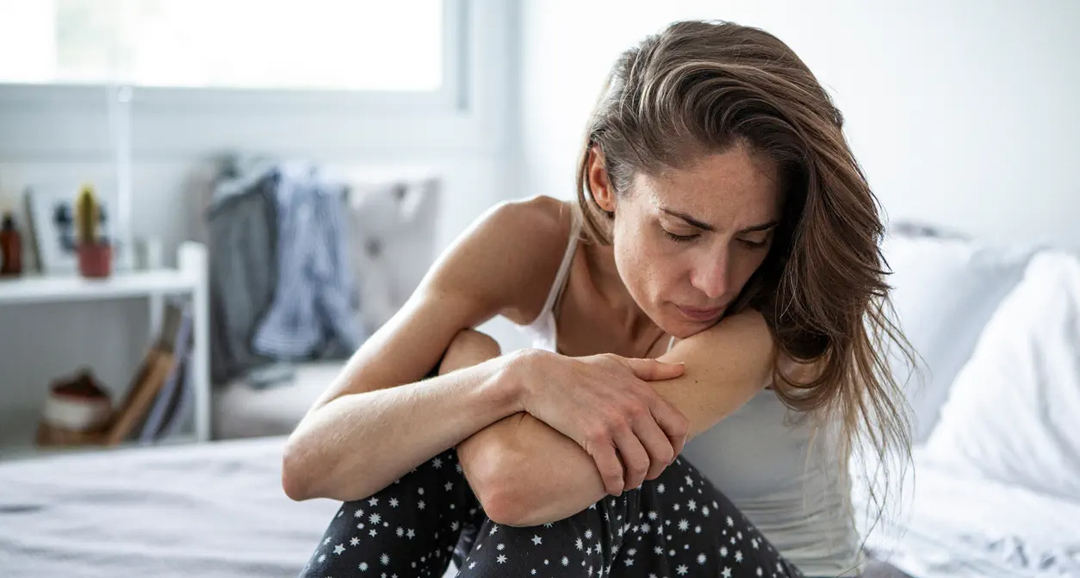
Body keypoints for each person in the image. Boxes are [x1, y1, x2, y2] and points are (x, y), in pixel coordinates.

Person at [282, 19, 912, 578]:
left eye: (752, 238)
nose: (717, 281)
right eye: (681, 232)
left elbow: (517, 486)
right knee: (419, 434)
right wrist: (511, 377)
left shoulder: (770, 313)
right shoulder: (529, 242)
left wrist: (477, 367)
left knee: (613, 469)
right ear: (603, 182)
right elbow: (308, 462)